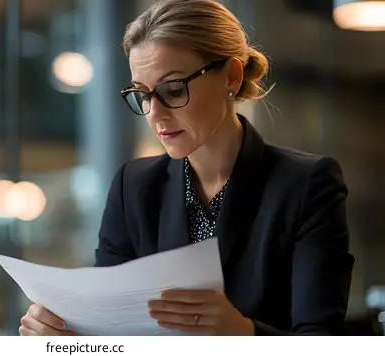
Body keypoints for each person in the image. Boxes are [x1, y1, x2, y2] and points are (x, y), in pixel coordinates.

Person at [19, 0, 354, 336]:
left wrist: (244, 334)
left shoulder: (306, 184)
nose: (154, 114)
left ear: (232, 77)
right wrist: (65, 335)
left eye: (174, 89)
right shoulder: (133, 186)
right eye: (143, 94)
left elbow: (321, 338)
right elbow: (110, 330)